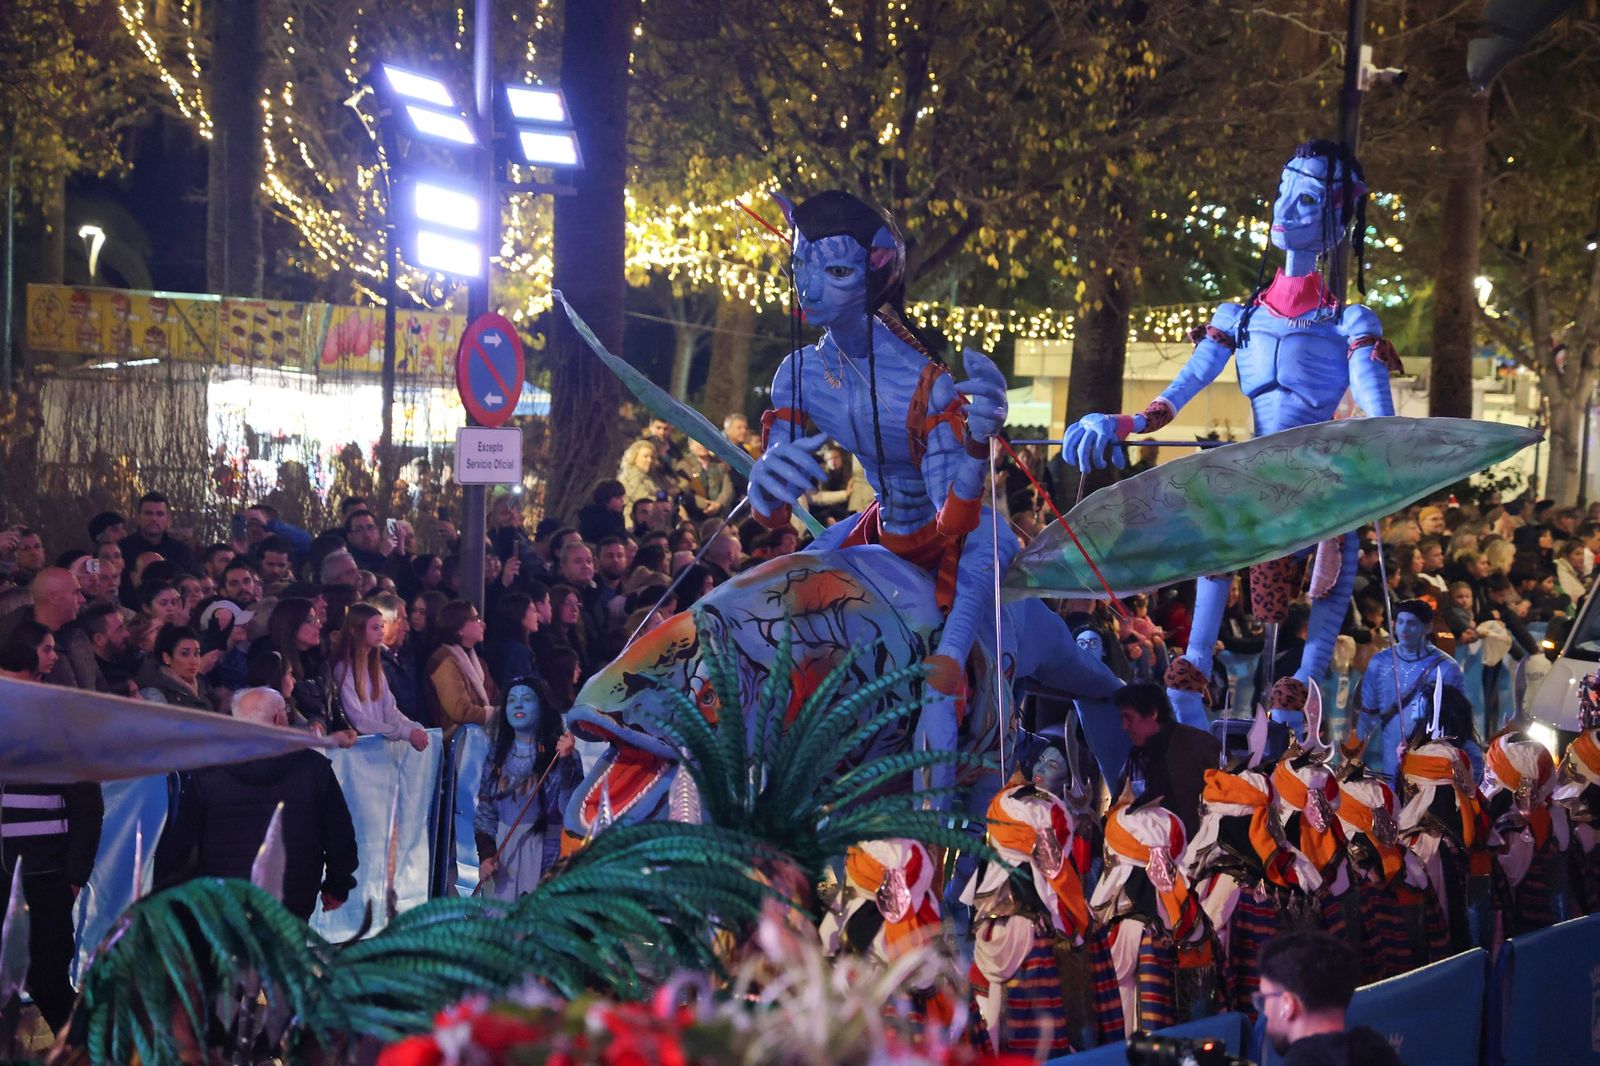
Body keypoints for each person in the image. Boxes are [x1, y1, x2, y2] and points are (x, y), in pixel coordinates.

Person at [153, 687, 358, 921]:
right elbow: (339, 834)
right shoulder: (313, 768)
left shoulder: (208, 774)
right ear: (279, 719)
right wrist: (338, 884)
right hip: (291, 897)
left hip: (225, 899)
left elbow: (179, 845)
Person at [0, 764, 103, 1035]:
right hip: (10, 877)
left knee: (49, 981)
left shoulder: (60, 739)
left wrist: (73, 878)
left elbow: (87, 810)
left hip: (45, 880)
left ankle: (84, 1052)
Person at [474, 676, 580, 899]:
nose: (518, 705)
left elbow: (569, 811)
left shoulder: (561, 755)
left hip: (546, 854)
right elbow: (486, 812)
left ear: (542, 707)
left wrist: (566, 763)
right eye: (511, 700)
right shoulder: (496, 754)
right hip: (503, 858)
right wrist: (486, 855)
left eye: (527, 699)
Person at [1256, 931, 1402, 1065]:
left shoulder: (1300, 1061)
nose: (1265, 1013)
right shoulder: (1379, 1051)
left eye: (1264, 999)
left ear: (1287, 1005)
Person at [1357, 598, 1466, 777]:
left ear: (1428, 627)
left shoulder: (1446, 668)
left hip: (1429, 761)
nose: (1404, 629)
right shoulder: (1379, 662)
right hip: (1387, 759)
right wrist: (1357, 752)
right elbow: (1367, 714)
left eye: (1412, 623)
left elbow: (1458, 722)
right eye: (1400, 622)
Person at [1112, 681, 1220, 838]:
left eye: (1129, 718)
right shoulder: (1136, 758)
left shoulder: (1198, 745)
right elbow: (1119, 806)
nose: (1124, 726)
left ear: (1153, 713)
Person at [332, 603, 429, 750]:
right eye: (375, 628)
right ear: (355, 631)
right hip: (361, 751)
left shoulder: (375, 669)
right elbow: (359, 721)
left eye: (381, 627)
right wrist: (404, 732)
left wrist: (414, 728)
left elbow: (390, 710)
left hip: (379, 749)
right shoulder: (344, 669)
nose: (381, 633)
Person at [424, 600, 496, 742]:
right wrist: (496, 713)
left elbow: (495, 695)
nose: (482, 624)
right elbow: (460, 711)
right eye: (475, 619)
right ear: (459, 628)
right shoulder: (444, 661)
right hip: (455, 742)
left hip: (478, 737)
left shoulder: (478, 662)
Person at [137, 624, 215, 710]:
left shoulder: (203, 686)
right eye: (185, 654)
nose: (194, 661)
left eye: (196, 653)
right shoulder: (154, 693)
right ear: (167, 658)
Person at [119, 491, 196, 572]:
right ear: (138, 517)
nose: (154, 519)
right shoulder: (122, 550)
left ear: (168, 519)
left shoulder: (182, 553)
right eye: (148, 513)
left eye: (160, 514)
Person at [480, 591, 541, 693]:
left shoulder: (498, 645)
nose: (538, 616)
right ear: (520, 614)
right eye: (533, 611)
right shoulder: (518, 652)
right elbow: (522, 688)